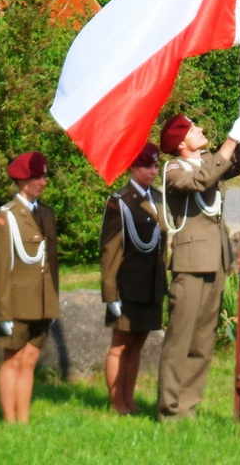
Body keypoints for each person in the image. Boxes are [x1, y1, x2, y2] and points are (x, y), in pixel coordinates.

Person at [157, 112, 240, 421]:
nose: (199, 129)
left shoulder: (209, 160)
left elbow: (239, 162)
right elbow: (201, 180)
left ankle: (188, 407)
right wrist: (231, 138)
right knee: (180, 339)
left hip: (215, 259)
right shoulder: (174, 169)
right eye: (192, 129)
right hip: (190, 263)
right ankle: (169, 409)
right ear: (180, 143)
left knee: (203, 341)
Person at [0, 151, 59, 423]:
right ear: (21, 180)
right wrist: (2, 312)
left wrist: (52, 301)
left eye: (44, 176)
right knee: (12, 359)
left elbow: (51, 263)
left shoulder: (46, 213)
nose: (43, 182)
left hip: (42, 301)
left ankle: (23, 419)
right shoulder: (6, 217)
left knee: (29, 359)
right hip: (16, 302)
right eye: (36, 177)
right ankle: (9, 420)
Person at [100, 143, 168, 415]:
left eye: (155, 166)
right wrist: (111, 294)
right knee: (120, 345)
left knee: (137, 344)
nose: (153, 171)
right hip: (127, 283)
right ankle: (118, 402)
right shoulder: (121, 201)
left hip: (151, 283)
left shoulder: (158, 198)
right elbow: (110, 250)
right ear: (132, 168)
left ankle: (130, 399)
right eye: (147, 166)